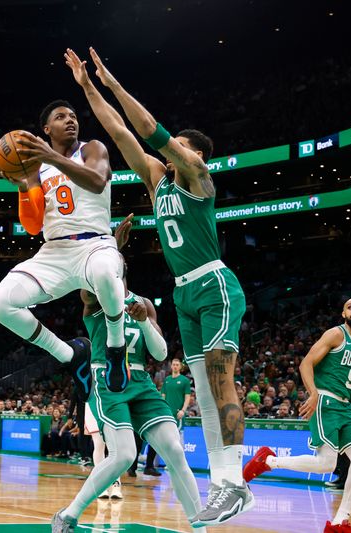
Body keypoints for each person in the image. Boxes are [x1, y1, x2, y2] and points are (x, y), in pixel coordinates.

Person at [64, 48, 251, 525]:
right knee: (204, 394)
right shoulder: (156, 179)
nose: (167, 154)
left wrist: (113, 81)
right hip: (183, 291)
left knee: (219, 376)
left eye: (178, 148)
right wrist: (88, 88)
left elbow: (149, 130)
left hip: (214, 283)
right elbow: (122, 133)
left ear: (196, 156)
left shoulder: (198, 177)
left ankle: (235, 482)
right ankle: (223, 485)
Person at [52, 217, 205, 533]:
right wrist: (112, 245)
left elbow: (161, 354)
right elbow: (89, 274)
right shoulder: (92, 297)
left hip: (141, 382)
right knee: (124, 455)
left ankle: (200, 529)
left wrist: (145, 321)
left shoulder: (144, 302)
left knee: (175, 451)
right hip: (109, 380)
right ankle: (68, 515)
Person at [0, 95, 130, 398]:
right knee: (0, 303)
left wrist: (51, 159)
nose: (70, 120)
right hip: (54, 252)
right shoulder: (37, 169)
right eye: (61, 117)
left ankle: (116, 349)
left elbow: (96, 181)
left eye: (73, 116)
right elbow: (32, 225)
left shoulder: (93, 149)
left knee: (106, 273)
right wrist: (25, 184)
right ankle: (69, 355)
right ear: (46, 129)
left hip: (96, 243)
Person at [244, 299, 351, 533]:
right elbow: (306, 364)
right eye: (349, 307)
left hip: (346, 408)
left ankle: (338, 523)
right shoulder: (335, 334)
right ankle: (268, 461)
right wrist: (313, 393)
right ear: (343, 313)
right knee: (326, 463)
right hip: (325, 400)